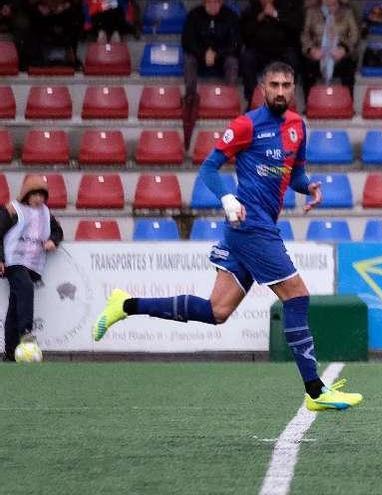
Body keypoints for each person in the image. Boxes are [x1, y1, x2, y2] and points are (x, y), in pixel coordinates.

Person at [92, 62, 363, 412]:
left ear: (294, 87)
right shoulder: (246, 124)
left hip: (257, 227)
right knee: (297, 297)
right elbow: (208, 167)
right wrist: (226, 197)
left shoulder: (298, 127)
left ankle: (125, 304)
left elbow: (293, 172)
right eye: (274, 84)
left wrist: (307, 186)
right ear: (262, 88)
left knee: (217, 311)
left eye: (287, 84)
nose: (281, 91)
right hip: (250, 226)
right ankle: (315, 390)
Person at [1, 176, 63, 361]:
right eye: (34, 194)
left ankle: (10, 352)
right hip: (14, 262)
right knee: (26, 288)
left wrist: (53, 240)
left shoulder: (46, 213)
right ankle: (26, 332)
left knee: (14, 304)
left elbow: (57, 231)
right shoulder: (12, 209)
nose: (38, 199)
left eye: (42, 195)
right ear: (26, 195)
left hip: (32, 265)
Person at [181, 0, 241, 147]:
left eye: (217, 2)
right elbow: (187, 41)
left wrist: (217, 54)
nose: (214, 5)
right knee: (189, 61)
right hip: (200, 57)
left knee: (232, 63)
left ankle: (229, 97)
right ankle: (190, 99)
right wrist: (203, 53)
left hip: (221, 58)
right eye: (211, 2)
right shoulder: (194, 15)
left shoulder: (230, 16)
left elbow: (236, 43)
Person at [239, 0, 303, 104]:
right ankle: (252, 99)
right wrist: (259, 18)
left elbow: (295, 26)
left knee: (293, 59)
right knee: (247, 58)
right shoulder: (251, 9)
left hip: (281, 50)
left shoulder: (286, 5)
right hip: (258, 50)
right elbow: (244, 33)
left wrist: (275, 14)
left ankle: (288, 99)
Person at [300, 0, 359, 99]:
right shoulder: (311, 11)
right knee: (306, 67)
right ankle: (309, 104)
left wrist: (344, 49)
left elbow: (354, 35)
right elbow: (304, 35)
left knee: (348, 66)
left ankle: (348, 103)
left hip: (340, 51)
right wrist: (311, 50)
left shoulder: (347, 12)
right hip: (318, 50)